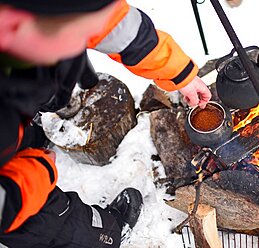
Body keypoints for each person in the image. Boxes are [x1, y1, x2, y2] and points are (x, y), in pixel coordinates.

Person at [0, 0, 212, 247]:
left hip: (16, 109)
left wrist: (179, 72)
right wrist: (39, 170)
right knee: (52, 223)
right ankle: (109, 234)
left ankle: (28, 136)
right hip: (15, 199)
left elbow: (113, 22)